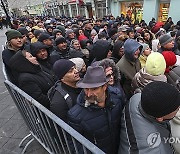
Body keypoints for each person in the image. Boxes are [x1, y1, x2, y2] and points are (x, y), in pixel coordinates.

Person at [68, 66, 125, 154]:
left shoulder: (117, 99)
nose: (89, 93)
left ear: (105, 86)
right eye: (86, 88)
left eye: (94, 88)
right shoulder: (75, 115)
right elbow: (75, 145)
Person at [119, 81, 180, 154]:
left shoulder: (137, 98)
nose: (179, 108)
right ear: (160, 118)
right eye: (176, 109)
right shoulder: (158, 150)